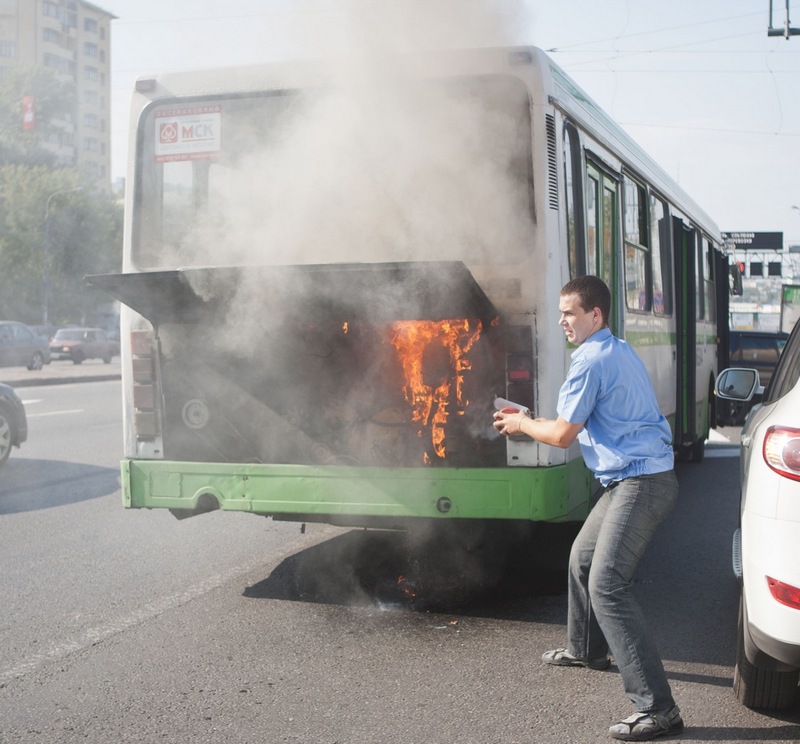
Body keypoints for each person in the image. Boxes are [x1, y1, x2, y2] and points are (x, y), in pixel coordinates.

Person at [493, 275, 682, 742]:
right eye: (560, 313)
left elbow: (560, 436)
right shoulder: (616, 349)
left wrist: (520, 422)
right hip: (631, 477)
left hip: (641, 481)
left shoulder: (592, 360)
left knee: (607, 584)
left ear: (595, 314)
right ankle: (586, 649)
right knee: (581, 559)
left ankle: (659, 709)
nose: (562, 321)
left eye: (570, 313)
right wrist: (533, 421)